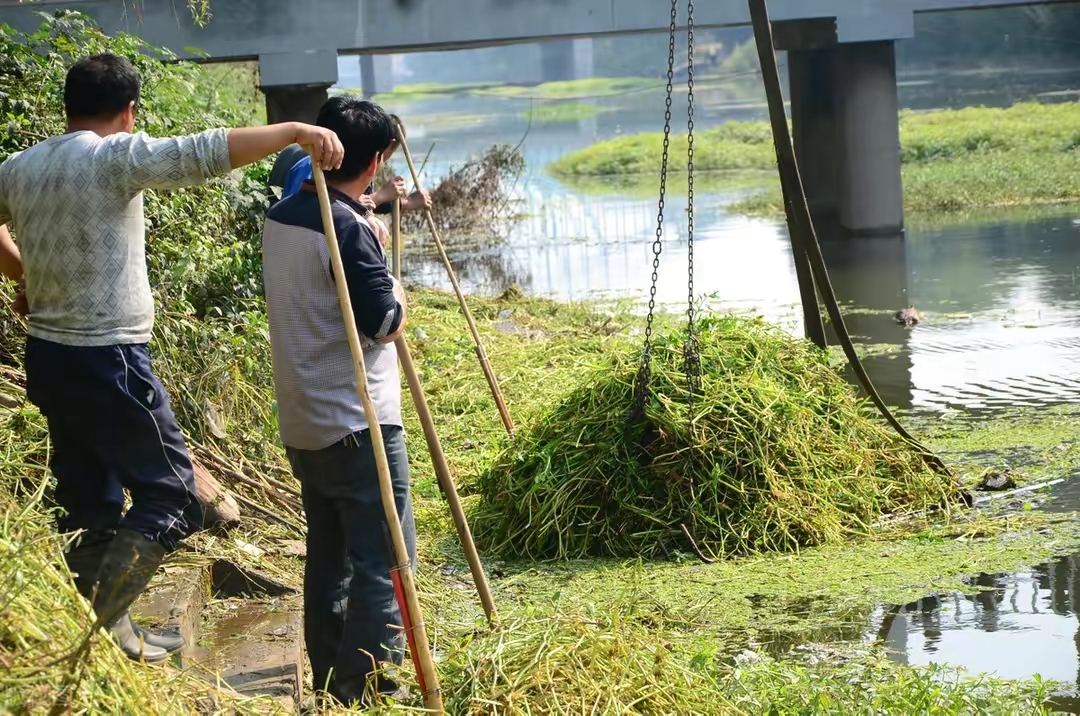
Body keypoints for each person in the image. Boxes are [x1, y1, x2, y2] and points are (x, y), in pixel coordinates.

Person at [0, 53, 344, 663]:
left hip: (49, 359)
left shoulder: (20, 167)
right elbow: (204, 152)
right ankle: (106, 619)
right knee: (176, 497)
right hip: (110, 357)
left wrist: (25, 272)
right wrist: (293, 132)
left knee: (87, 500)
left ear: (66, 107)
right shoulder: (113, 157)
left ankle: (114, 631)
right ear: (129, 112)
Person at [261, 95, 415, 706]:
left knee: (330, 558)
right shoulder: (344, 226)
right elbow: (383, 321)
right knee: (382, 556)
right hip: (359, 422)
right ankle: (367, 684)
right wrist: (396, 285)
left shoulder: (281, 217)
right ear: (374, 161)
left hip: (303, 419)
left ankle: (328, 676)